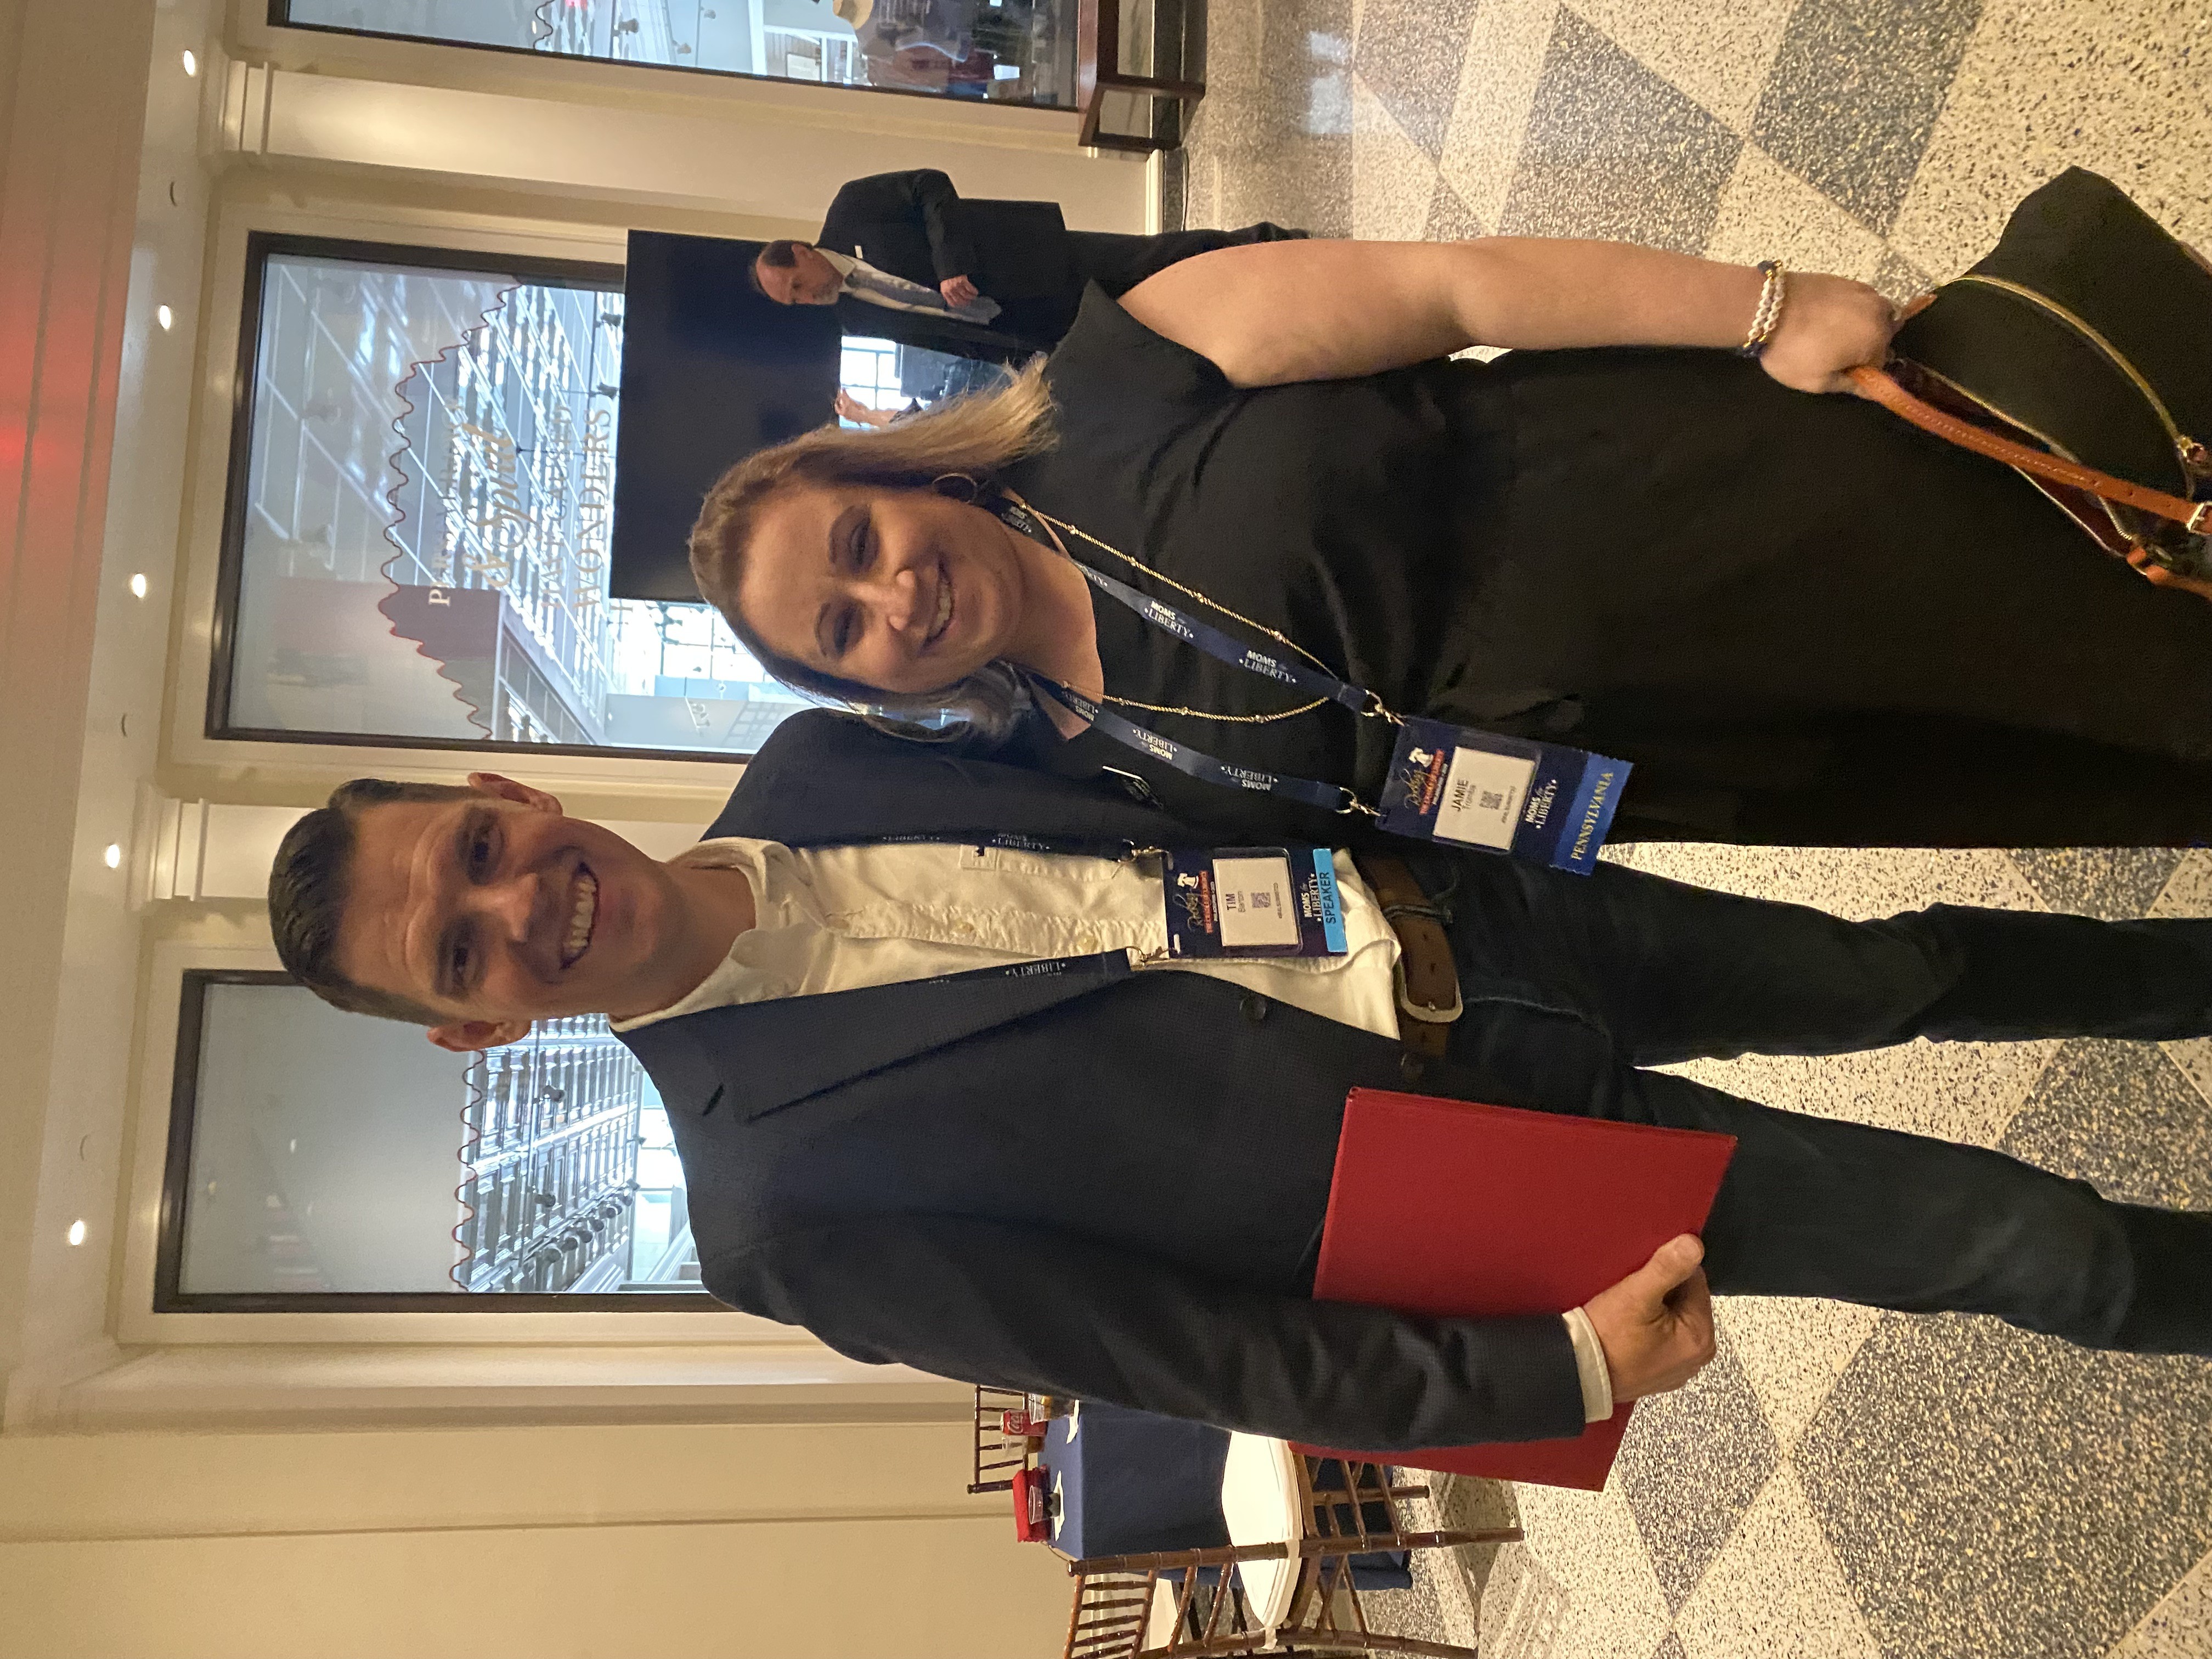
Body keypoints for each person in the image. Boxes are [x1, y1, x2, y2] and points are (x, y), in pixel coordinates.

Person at [266, 709, 2212, 1449]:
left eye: (480, 850)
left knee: (1907, 970)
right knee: (2025, 1243)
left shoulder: (813, 760)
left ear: (504, 789)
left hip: (1474, 916)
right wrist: (1552, 1373)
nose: (520, 904)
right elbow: (1178, 1348)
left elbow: (1141, 763)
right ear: (477, 1029)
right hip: (1486, 1159)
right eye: (464, 951)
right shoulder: (773, 1210)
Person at [705, 215, 2212, 849]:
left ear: (897, 477)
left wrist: (1767, 310)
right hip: (1675, 764)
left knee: (2110, 604)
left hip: (1688, 508)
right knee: (2098, 768)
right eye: (843, 632)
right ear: (866, 688)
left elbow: (1454, 288)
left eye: (857, 543)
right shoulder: (1080, 764)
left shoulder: (1119, 377)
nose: (892, 597)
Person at [749, 168, 1307, 361]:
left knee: (1150, 259)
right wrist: (1018, 360)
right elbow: (941, 336)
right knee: (1142, 316)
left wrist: (950, 265)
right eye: (795, 301)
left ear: (802, 251)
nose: (806, 298)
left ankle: (1264, 244)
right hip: (1024, 322)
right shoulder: (853, 318)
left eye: (797, 284)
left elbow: (930, 186)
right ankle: (1253, 310)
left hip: (1025, 256)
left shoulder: (852, 208)